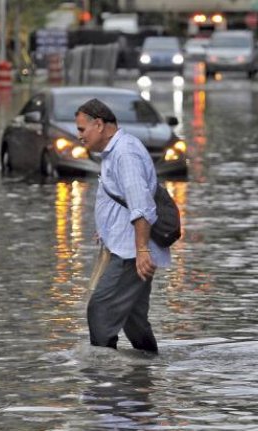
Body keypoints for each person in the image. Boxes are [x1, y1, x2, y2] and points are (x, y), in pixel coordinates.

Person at [75, 98, 170, 353]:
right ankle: (147, 369)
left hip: (130, 253)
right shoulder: (115, 152)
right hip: (127, 247)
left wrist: (142, 250)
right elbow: (121, 199)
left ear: (99, 124)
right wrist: (105, 228)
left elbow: (141, 205)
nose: (79, 137)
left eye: (82, 130)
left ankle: (103, 380)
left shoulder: (125, 153)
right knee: (133, 319)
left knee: (101, 309)